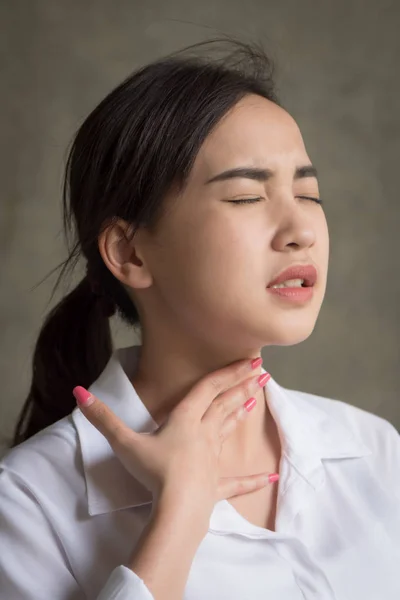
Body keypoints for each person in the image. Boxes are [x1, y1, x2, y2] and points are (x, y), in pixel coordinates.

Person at [0, 39, 399, 600]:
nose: (301, 230)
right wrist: (179, 516)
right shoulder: (27, 501)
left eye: (308, 193)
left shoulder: (375, 452)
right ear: (131, 253)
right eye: (244, 197)